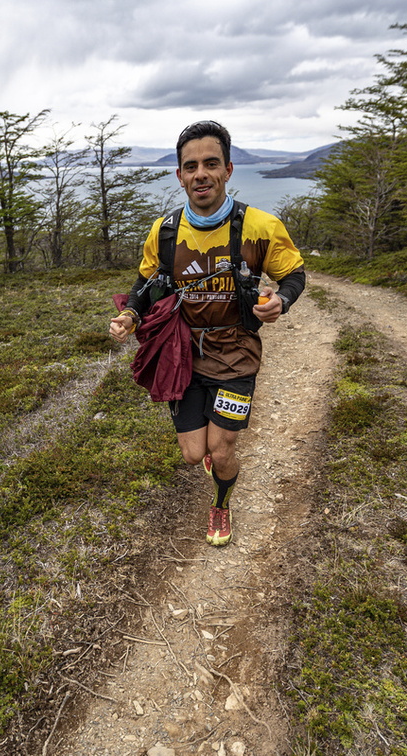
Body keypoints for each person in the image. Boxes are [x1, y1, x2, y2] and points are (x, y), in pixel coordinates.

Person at [109, 120, 306, 547]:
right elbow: (147, 283)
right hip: (182, 355)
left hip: (237, 352)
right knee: (193, 453)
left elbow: (294, 274)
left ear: (228, 170)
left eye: (211, 164)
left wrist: (282, 301)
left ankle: (221, 502)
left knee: (222, 450)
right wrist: (130, 315)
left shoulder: (260, 227)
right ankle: (211, 456)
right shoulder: (164, 232)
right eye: (191, 166)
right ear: (179, 175)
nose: (201, 174)